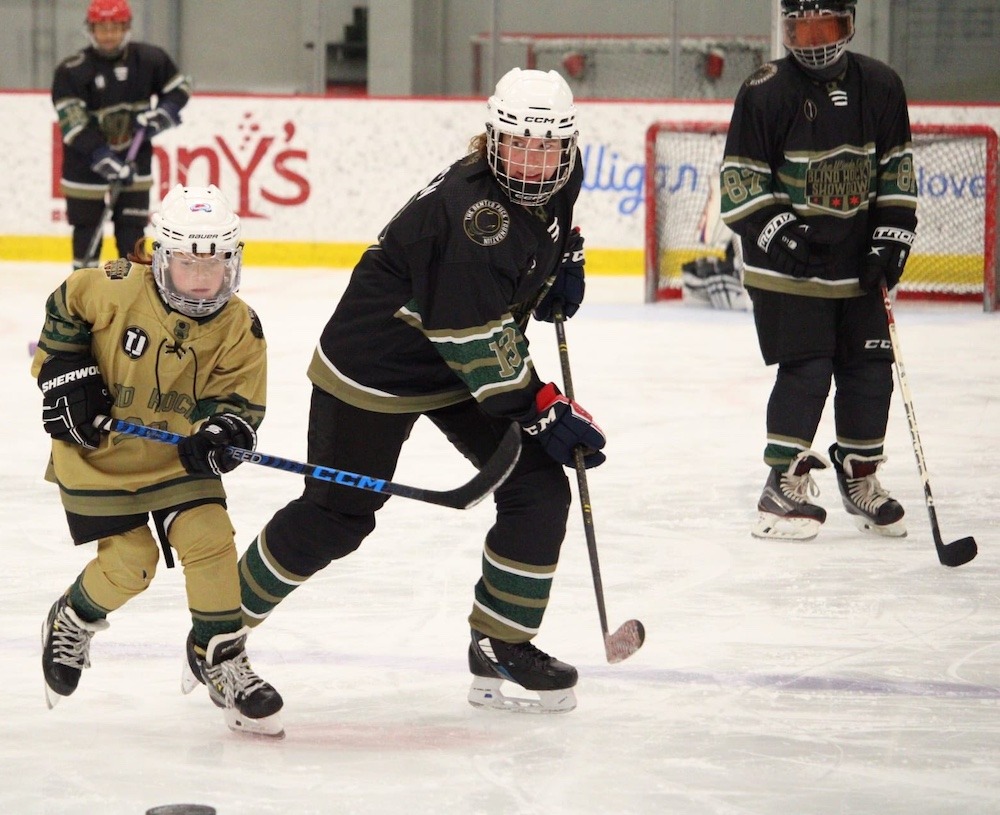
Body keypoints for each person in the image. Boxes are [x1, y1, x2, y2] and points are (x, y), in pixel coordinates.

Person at [237, 67, 603, 713]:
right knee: (337, 516)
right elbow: (471, 334)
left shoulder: (563, 177)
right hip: (377, 365)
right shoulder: (473, 215)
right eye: (518, 144)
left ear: (567, 147)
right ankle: (222, 621)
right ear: (492, 139)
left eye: (546, 148)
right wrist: (541, 406)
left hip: (457, 364)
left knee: (539, 486)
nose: (532, 162)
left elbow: (545, 236)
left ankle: (500, 643)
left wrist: (556, 269)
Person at [34, 184, 284, 738]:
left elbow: (240, 402)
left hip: (174, 460)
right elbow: (62, 311)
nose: (202, 277)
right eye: (189, 263)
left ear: (233, 263)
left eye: (214, 264)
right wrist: (70, 377)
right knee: (131, 563)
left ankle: (219, 659)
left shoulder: (241, 326)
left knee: (209, 534)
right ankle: (73, 616)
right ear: (161, 257)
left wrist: (220, 432)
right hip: (99, 454)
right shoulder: (113, 287)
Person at [720, 0, 917, 541]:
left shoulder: (881, 85)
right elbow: (740, 184)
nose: (812, 41)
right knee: (807, 369)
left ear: (849, 24)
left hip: (857, 267)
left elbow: (897, 174)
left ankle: (860, 477)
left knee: (870, 371)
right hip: (788, 271)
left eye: (825, 26)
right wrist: (783, 234)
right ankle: (780, 486)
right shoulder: (765, 90)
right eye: (799, 27)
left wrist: (889, 242)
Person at [52, 0, 191, 271]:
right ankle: (84, 295)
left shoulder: (150, 59)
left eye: (115, 27)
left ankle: (131, 294)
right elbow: (74, 125)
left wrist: (163, 113)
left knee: (132, 234)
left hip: (134, 159)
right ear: (90, 29)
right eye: (101, 28)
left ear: (127, 28)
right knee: (86, 231)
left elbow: (179, 89)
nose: (108, 34)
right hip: (84, 168)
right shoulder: (72, 70)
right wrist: (102, 157)